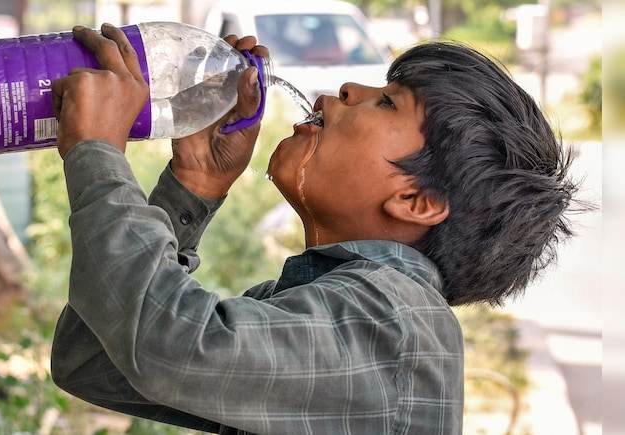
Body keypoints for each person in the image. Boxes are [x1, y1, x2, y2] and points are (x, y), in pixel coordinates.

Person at [49, 23, 580, 434]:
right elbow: (92, 360)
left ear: (415, 200)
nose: (348, 87)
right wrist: (195, 182)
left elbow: (165, 342)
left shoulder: (395, 323)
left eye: (388, 101)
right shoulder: (333, 308)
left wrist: (97, 152)